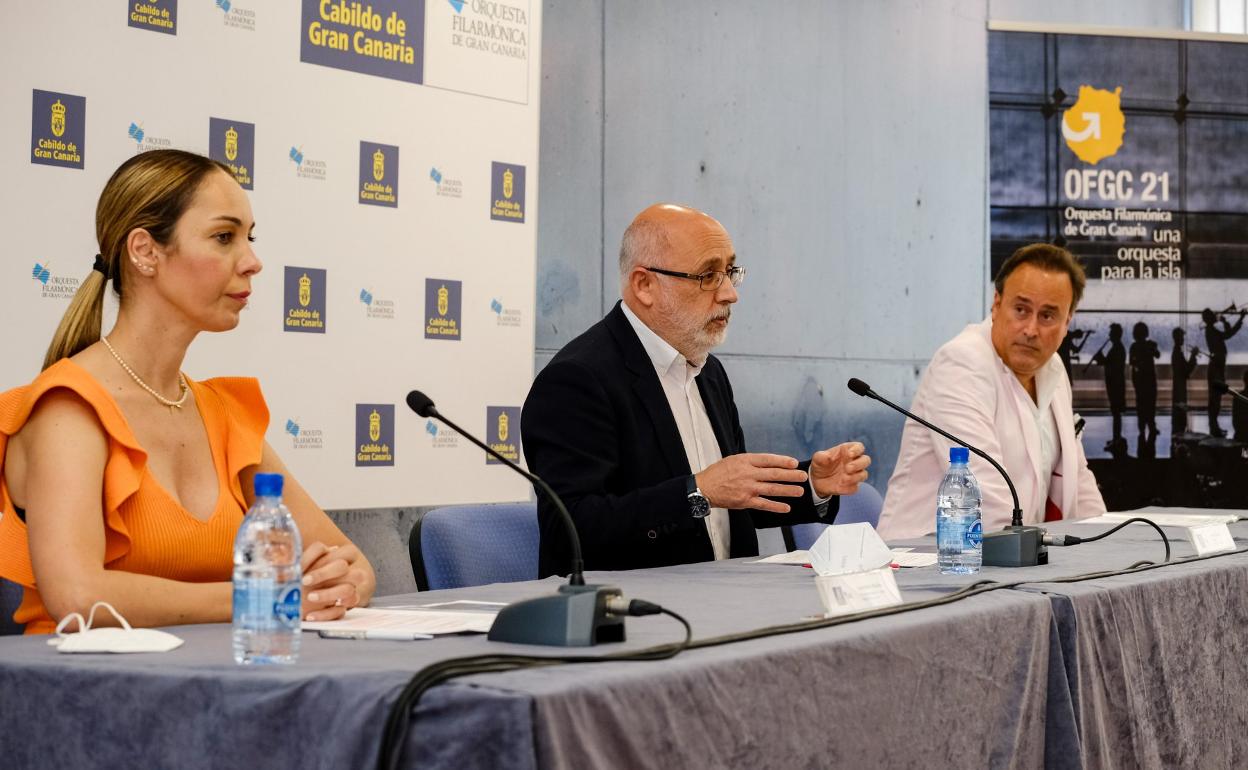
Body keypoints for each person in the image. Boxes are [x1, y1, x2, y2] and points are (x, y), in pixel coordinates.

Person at [0, 150, 375, 634]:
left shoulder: (222, 412)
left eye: (249, 238)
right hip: (86, 696)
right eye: (224, 237)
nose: (253, 262)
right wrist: (265, 596)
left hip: (219, 686)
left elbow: (354, 564)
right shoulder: (68, 409)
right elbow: (78, 596)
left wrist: (342, 582)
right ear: (145, 251)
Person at [521, 204, 870, 576]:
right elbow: (573, 527)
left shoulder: (708, 371)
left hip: (726, 602)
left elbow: (731, 498)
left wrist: (813, 485)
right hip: (634, 617)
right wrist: (697, 492)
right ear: (645, 285)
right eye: (708, 275)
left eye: (730, 272)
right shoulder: (578, 380)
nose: (729, 293)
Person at [877, 243, 1106, 539]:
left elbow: (1079, 480)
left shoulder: (1053, 369)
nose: (1031, 329)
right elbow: (986, 497)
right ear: (996, 304)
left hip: (1012, 554)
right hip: (931, 561)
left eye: (1048, 316)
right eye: (1021, 310)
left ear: (1067, 323)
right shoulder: (962, 363)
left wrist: (1108, 543)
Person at [1203, 306, 1245, 437]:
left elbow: (1227, 334)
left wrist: (1226, 322)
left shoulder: (1210, 330)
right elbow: (1228, 334)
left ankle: (1214, 428)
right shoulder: (1211, 331)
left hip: (1216, 367)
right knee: (1215, 399)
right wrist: (1240, 319)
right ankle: (1214, 429)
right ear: (1210, 318)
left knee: (1215, 399)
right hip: (1217, 368)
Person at [1092, 323, 1127, 452]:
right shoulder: (1117, 348)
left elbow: (1110, 365)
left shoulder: (1117, 348)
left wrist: (1099, 358)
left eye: (1111, 333)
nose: (1109, 336)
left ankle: (1117, 440)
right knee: (1116, 412)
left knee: (1116, 413)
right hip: (1115, 384)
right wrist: (1101, 359)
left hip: (1115, 385)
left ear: (1116, 335)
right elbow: (1109, 363)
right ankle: (1116, 438)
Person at [1129, 321, 1159, 451]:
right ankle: (1151, 427)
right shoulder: (1149, 345)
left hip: (1140, 378)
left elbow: (1132, 362)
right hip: (1149, 378)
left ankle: (1142, 429)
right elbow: (1157, 355)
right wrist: (1152, 349)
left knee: (1141, 404)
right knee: (1150, 403)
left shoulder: (1134, 346)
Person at [1170, 328, 1198, 435]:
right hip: (1180, 386)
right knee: (1180, 411)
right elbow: (1186, 370)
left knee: (1179, 411)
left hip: (1179, 384)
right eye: (1181, 337)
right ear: (1177, 338)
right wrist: (1193, 356)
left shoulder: (1177, 351)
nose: (1183, 339)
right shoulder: (1177, 353)